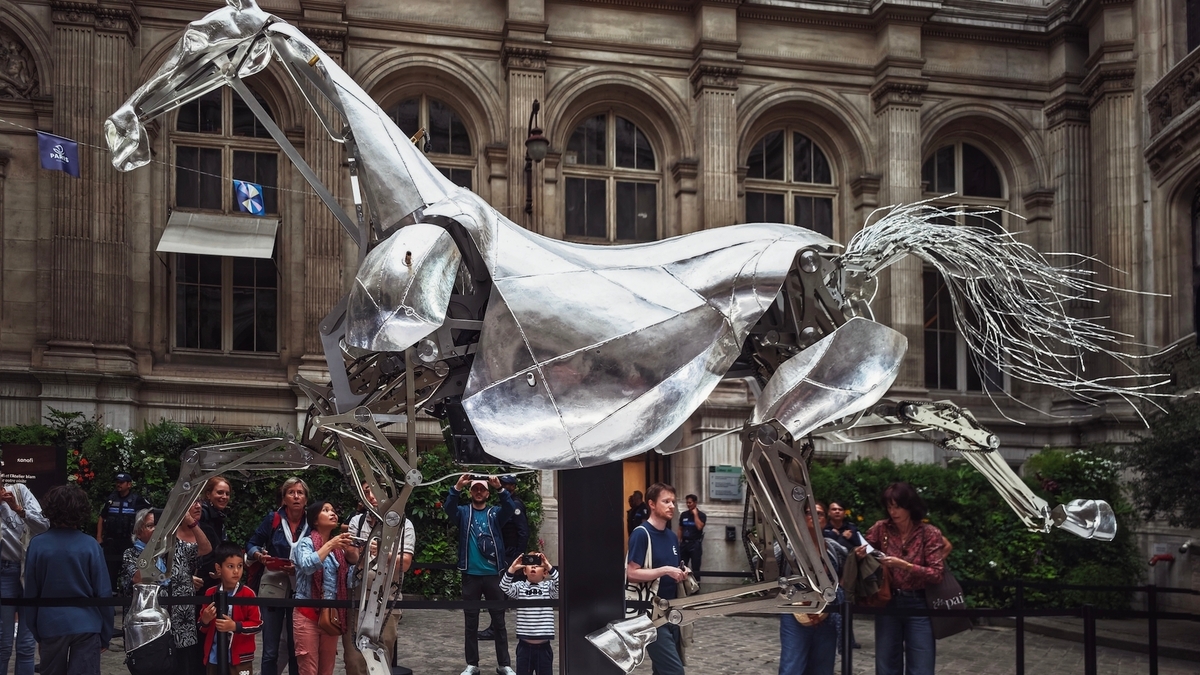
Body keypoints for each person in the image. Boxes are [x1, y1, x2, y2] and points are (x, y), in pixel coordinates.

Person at [855, 482, 945, 675]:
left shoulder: (929, 533)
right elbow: (865, 551)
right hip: (888, 601)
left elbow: (937, 573)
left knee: (922, 664)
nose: (893, 512)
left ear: (910, 506)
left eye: (897, 506)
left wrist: (906, 566)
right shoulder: (881, 528)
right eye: (889, 507)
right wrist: (860, 554)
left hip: (919, 603)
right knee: (886, 663)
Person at [24, 484, 112, 675]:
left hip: (50, 624)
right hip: (87, 625)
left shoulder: (37, 545)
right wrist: (106, 633)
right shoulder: (90, 545)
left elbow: (30, 593)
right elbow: (103, 594)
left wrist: (37, 630)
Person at [442, 474, 517, 675]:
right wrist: (456, 486)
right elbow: (448, 507)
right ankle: (472, 664)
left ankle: (504, 664)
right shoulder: (463, 513)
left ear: (487, 492)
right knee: (471, 622)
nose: (478, 492)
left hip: (494, 574)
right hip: (471, 574)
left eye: (482, 489)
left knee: (499, 622)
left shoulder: (495, 513)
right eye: (475, 488)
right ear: (470, 491)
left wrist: (500, 488)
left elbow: (510, 509)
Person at [343, 481, 415, 675]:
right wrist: (354, 550)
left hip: (387, 600)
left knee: (381, 658)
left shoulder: (403, 524)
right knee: (353, 660)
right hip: (357, 600)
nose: (372, 496)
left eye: (377, 491)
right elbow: (351, 558)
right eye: (367, 491)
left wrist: (384, 552)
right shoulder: (356, 522)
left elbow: (405, 564)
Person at [246, 477, 310, 675]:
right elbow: (251, 544)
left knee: (294, 647)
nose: (296, 497)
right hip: (273, 585)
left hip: (299, 588)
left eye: (300, 493)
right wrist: (259, 555)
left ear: (306, 499)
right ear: (284, 498)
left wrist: (298, 567)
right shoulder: (273, 519)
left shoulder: (312, 521)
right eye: (291, 492)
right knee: (270, 649)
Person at [776, 501, 845, 675]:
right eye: (809, 513)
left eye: (820, 513)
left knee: (823, 667)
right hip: (795, 614)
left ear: (825, 519)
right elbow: (761, 566)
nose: (814, 516)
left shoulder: (833, 547)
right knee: (792, 666)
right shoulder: (788, 545)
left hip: (826, 614)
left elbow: (845, 573)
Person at [626, 482, 688, 675]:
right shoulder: (641, 534)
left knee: (662, 671)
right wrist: (664, 570)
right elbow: (631, 573)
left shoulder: (671, 537)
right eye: (666, 501)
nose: (672, 506)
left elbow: (671, 570)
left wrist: (681, 572)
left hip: (672, 612)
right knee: (675, 671)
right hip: (650, 615)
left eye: (673, 502)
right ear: (651, 504)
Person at [291, 501, 358, 675]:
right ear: (314, 520)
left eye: (334, 511)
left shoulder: (339, 551)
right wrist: (330, 545)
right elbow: (306, 566)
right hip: (307, 613)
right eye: (326, 510)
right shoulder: (305, 543)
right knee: (308, 668)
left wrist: (361, 558)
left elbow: (349, 582)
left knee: (327, 669)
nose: (332, 513)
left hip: (330, 616)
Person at [0, 480, 49, 675]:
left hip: (27, 569)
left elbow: (44, 525)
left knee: (26, 643)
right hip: (3, 571)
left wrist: (18, 509)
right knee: (2, 641)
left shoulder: (19, 491)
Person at [199, 543, 262, 675]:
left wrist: (235, 626)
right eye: (230, 566)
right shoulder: (210, 593)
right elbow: (202, 627)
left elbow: (257, 624)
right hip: (214, 656)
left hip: (240, 658)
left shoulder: (248, 594)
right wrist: (205, 619)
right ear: (218, 568)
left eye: (239, 566)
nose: (236, 571)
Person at [480, 475, 529, 641]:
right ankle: (496, 628)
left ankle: (496, 629)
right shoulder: (504, 504)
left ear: (514, 487)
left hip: (511, 555)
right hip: (503, 554)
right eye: (504, 484)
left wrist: (519, 556)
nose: (506, 487)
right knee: (500, 593)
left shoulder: (515, 505)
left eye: (509, 484)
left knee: (501, 592)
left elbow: (523, 531)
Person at [171, 500, 214, 675]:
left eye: (199, 502)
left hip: (189, 608)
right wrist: (185, 578)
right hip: (166, 606)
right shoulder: (167, 534)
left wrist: (192, 523)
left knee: (188, 658)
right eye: (192, 502)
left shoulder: (203, 531)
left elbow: (206, 548)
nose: (198, 506)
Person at [499, 552, 558, 675]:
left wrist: (548, 565)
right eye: (530, 564)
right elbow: (503, 586)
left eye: (537, 565)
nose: (533, 567)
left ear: (545, 572)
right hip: (524, 647)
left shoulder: (549, 588)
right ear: (525, 571)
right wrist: (513, 568)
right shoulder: (520, 587)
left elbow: (562, 585)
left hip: (544, 647)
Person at [96, 473, 152, 595]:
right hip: (111, 541)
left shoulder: (137, 500)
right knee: (110, 568)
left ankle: (128, 593)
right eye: (117, 482)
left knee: (129, 567)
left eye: (121, 482)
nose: (118, 484)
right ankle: (111, 595)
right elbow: (102, 517)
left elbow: (149, 515)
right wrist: (99, 537)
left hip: (128, 541)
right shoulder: (111, 499)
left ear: (129, 484)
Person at [823, 500, 861, 650]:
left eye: (840, 509)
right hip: (830, 574)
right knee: (835, 608)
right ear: (829, 512)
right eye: (834, 509)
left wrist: (848, 537)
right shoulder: (824, 529)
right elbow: (831, 546)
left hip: (849, 573)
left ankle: (848, 639)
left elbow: (860, 544)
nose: (837, 511)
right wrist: (841, 537)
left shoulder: (851, 528)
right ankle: (839, 640)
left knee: (847, 606)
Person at [197, 476, 233, 591]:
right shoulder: (202, 515)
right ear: (208, 494)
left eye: (227, 494)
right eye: (220, 492)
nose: (224, 497)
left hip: (211, 577)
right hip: (200, 580)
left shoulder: (218, 515)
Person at [120, 508, 161, 597]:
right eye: (150, 526)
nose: (156, 530)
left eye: (158, 526)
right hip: (142, 608)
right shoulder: (130, 554)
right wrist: (153, 545)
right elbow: (139, 579)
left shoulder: (166, 552)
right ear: (138, 532)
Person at [678, 494, 706, 583]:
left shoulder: (701, 515)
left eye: (690, 502)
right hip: (684, 544)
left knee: (695, 567)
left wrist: (695, 514)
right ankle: (684, 586)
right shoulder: (684, 515)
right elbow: (680, 528)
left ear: (695, 503)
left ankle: (696, 586)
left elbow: (699, 527)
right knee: (682, 566)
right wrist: (679, 541)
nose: (688, 504)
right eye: (687, 503)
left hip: (695, 544)